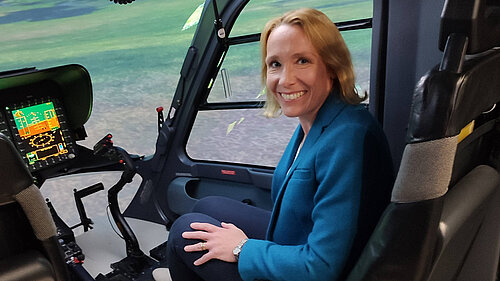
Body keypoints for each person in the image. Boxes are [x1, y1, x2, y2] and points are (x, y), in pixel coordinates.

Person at [165, 8, 394, 281]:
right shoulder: (320, 119)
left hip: (317, 270)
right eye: (275, 64)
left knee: (184, 233)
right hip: (301, 243)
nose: (285, 79)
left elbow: (320, 267)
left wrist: (242, 248)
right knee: (207, 208)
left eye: (303, 61)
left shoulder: (348, 139)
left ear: (332, 67)